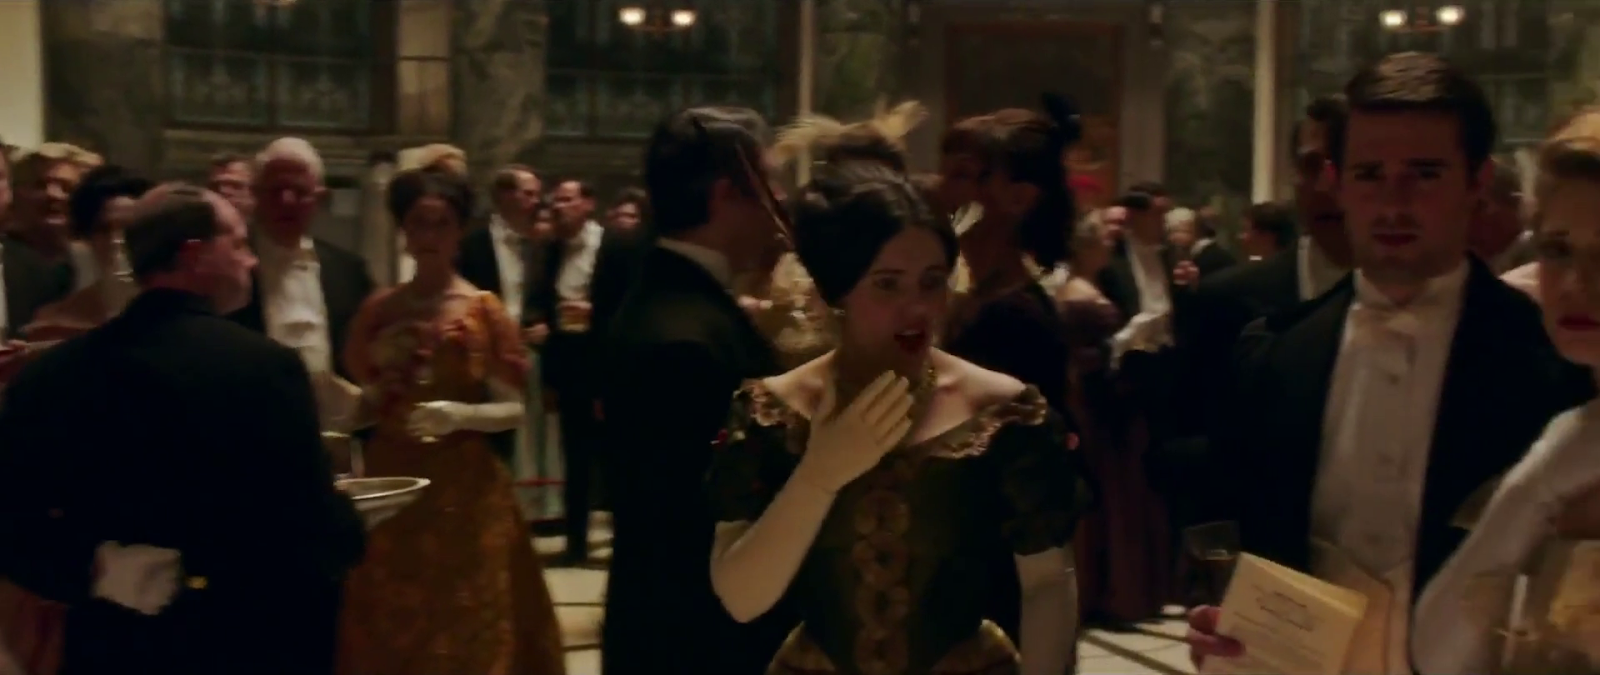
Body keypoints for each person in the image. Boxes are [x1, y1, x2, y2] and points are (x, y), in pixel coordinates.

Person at [1185, 52, 1592, 674]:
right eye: (1370, 174)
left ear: (1477, 183)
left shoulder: (1555, 357)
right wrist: (1222, 628)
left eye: (1425, 174)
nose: (1393, 203)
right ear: (1336, 182)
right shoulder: (1272, 354)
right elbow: (1242, 536)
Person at [707, 159, 1089, 675]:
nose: (918, 308)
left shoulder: (1000, 408)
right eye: (887, 285)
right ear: (837, 291)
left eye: (932, 282)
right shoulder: (772, 409)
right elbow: (741, 598)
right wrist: (818, 475)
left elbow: (1046, 582)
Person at [0, 184, 366, 675]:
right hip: (243, 641)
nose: (251, 261)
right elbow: (309, 531)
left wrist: (97, 569)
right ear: (193, 254)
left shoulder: (57, 373)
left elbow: (13, 527)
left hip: (114, 647)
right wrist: (351, 520)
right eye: (238, 244)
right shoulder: (263, 368)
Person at [332, 167, 566, 675]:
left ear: (460, 230)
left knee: (466, 617)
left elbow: (513, 408)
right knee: (388, 614)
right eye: (418, 223)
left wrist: (462, 414)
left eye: (441, 223)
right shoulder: (380, 309)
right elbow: (364, 396)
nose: (429, 236)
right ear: (403, 229)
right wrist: (362, 402)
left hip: (464, 488)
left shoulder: (482, 310)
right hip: (391, 484)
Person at [598, 106, 792, 674]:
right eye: (769, 182)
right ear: (726, 194)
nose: (779, 202)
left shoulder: (680, 304)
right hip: (694, 643)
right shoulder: (682, 339)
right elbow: (691, 529)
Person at [1410, 106, 1600, 674]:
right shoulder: (1563, 433)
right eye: (1558, 250)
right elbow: (1437, 656)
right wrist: (1537, 483)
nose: (1578, 284)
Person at [939, 96, 1084, 646]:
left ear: (1020, 197)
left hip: (991, 571)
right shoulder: (975, 296)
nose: (944, 189)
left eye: (967, 176)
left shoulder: (1013, 316)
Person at [22, 165, 151, 341]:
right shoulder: (54, 322)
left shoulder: (178, 310)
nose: (117, 240)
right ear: (86, 237)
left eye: (129, 228)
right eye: (104, 230)